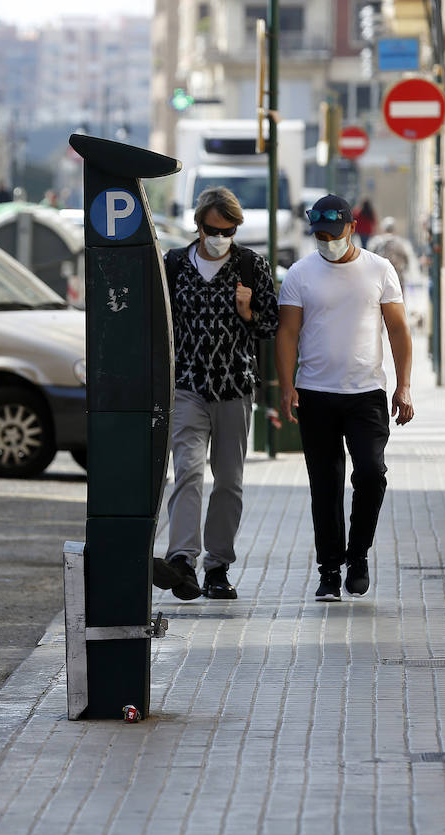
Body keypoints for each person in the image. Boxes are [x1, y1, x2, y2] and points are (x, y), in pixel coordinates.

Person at [275, 194, 415, 602]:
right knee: (326, 484)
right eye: (320, 234)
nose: (327, 241)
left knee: (371, 474)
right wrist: (287, 385)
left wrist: (403, 385)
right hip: (316, 394)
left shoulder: (379, 269)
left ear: (352, 228)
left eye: (334, 234)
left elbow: (399, 330)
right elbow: (287, 332)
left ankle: (358, 556)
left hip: (365, 393)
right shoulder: (300, 274)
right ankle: (329, 570)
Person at [151, 186, 279, 601]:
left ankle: (218, 567)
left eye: (228, 228)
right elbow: (160, 325)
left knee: (229, 481)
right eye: (212, 228)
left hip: (234, 388)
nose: (220, 235)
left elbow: (270, 327)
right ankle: (182, 561)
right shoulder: (174, 264)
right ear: (199, 225)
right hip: (187, 385)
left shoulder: (250, 266)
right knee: (187, 469)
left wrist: (248, 311)